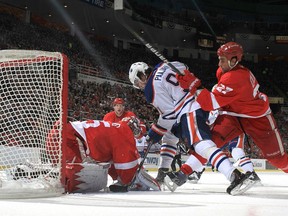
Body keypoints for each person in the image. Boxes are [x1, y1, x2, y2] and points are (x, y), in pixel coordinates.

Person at [128, 61, 254, 195]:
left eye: (137, 83)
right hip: (202, 100)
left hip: (189, 109)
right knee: (170, 135)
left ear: (142, 75)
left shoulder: (150, 89)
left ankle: (234, 176)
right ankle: (163, 171)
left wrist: (154, 132)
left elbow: (169, 115)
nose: (140, 86)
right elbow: (186, 70)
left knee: (202, 144)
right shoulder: (167, 64)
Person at [176, 41, 288, 174]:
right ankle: (183, 173)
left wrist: (193, 85)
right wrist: (194, 86)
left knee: (277, 159)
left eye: (222, 60)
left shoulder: (236, 77)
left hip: (257, 118)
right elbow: (217, 98)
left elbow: (209, 103)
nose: (219, 64)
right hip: (233, 115)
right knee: (209, 143)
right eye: (219, 60)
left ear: (234, 60)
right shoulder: (224, 72)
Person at [46, 118, 160, 193]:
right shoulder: (123, 131)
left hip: (60, 136)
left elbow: (112, 161)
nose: (134, 137)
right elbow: (125, 164)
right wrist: (129, 180)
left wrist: (119, 178)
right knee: (69, 181)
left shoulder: (112, 128)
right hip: (64, 140)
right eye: (136, 133)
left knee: (64, 178)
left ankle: (47, 177)